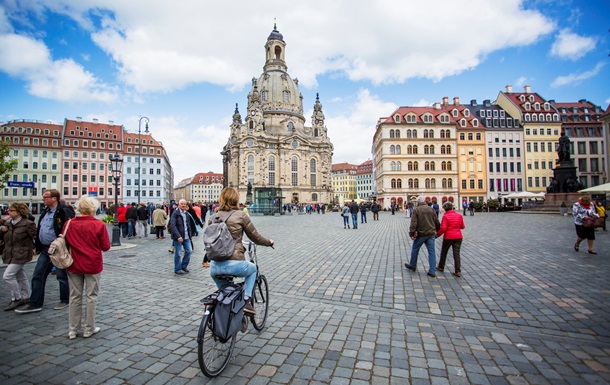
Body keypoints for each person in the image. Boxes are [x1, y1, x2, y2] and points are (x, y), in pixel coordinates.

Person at [209, 187, 274, 315]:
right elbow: (255, 237)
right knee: (253, 269)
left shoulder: (213, 217)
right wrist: (269, 242)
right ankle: (246, 300)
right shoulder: (241, 216)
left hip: (214, 267)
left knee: (225, 294)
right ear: (236, 199)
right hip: (234, 264)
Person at [15, 189, 75, 314]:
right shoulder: (45, 212)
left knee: (62, 276)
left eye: (46, 197)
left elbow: (71, 227)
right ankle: (35, 303)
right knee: (38, 274)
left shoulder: (63, 211)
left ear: (54, 198)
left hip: (59, 249)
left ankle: (65, 299)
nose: (43, 199)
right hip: (45, 249)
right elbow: (40, 229)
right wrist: (37, 245)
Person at [64, 196, 111, 339]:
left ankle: (73, 329)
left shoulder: (69, 223)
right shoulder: (98, 225)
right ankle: (88, 328)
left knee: (74, 297)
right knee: (91, 297)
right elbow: (106, 246)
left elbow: (65, 243)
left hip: (73, 264)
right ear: (93, 209)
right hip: (92, 264)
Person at [1, 202, 37, 311]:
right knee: (20, 275)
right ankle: (26, 296)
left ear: (19, 212)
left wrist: (34, 247)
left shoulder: (28, 223)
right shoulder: (8, 223)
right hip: (11, 252)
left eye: (11, 210)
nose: (9, 212)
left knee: (7, 276)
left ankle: (16, 298)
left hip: (22, 253)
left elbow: (35, 237)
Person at [404, 196, 440, 277]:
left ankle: (413, 265)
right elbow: (436, 221)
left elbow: (413, 223)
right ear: (425, 201)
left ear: (418, 202)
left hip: (421, 234)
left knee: (415, 249)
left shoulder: (416, 210)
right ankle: (432, 271)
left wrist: (412, 233)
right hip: (430, 233)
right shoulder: (431, 209)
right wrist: (437, 230)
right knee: (432, 252)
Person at [435, 202, 465, 277]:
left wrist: (437, 235)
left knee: (444, 252)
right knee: (456, 254)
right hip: (458, 237)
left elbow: (443, 228)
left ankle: (441, 267)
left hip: (448, 237)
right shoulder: (459, 216)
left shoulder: (445, 216)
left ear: (445, 209)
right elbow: (462, 226)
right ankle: (458, 271)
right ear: (452, 207)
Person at [170, 199, 196, 275]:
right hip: (178, 237)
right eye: (182, 204)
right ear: (179, 205)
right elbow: (173, 226)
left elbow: (188, 225)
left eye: (184, 204)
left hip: (186, 236)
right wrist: (178, 236)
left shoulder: (186, 213)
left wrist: (190, 235)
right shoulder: (175, 213)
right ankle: (177, 269)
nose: (183, 205)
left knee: (189, 251)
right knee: (178, 253)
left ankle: (183, 266)